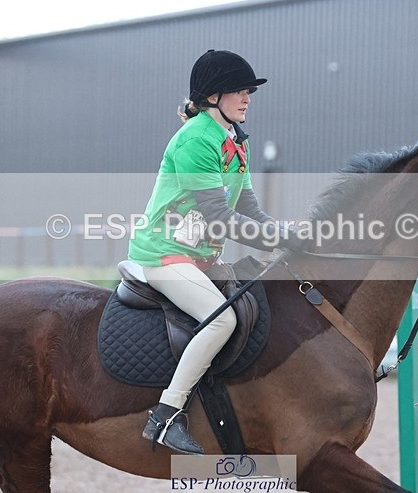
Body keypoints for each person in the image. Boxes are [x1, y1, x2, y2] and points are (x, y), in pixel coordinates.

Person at [127, 49, 305, 455]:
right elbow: (221, 217)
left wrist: (290, 234)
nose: (247, 98)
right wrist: (279, 240)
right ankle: (165, 416)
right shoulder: (193, 141)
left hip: (201, 257)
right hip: (164, 253)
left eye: (248, 92)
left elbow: (250, 210)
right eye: (239, 91)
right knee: (222, 320)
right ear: (212, 97)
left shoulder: (233, 143)